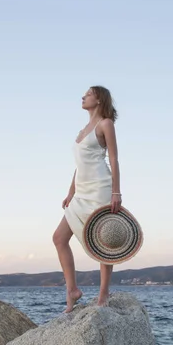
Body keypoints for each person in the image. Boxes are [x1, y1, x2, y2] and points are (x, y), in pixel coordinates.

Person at [52, 85, 121, 313]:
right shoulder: (82, 130)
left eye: (89, 94)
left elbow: (114, 159)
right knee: (59, 238)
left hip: (101, 187)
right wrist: (71, 191)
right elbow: (79, 165)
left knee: (104, 241)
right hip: (81, 191)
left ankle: (103, 292)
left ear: (99, 99)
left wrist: (116, 192)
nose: (83, 96)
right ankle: (72, 289)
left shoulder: (105, 124)